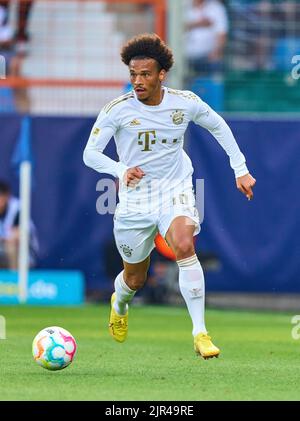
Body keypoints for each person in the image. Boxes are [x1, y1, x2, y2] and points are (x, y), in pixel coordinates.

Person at [83, 33, 256, 359]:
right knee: (135, 278)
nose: (137, 81)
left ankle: (200, 333)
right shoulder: (117, 110)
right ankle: (119, 302)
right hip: (134, 201)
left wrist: (240, 169)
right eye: (133, 74)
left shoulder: (184, 102)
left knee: (184, 243)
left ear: (162, 74)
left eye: (145, 74)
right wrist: (120, 170)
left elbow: (218, 126)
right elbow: (90, 154)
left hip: (174, 190)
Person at [0, 180, 38, 269]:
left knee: (11, 248)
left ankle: (16, 281)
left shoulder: (17, 209)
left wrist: (4, 239)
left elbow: (17, 237)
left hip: (25, 254)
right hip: (2, 251)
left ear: (6, 196)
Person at [185, 0, 228, 76]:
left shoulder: (216, 7)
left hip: (207, 58)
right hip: (184, 57)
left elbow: (222, 33)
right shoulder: (181, 6)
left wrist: (217, 52)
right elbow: (174, 27)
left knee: (215, 68)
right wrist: (197, 24)